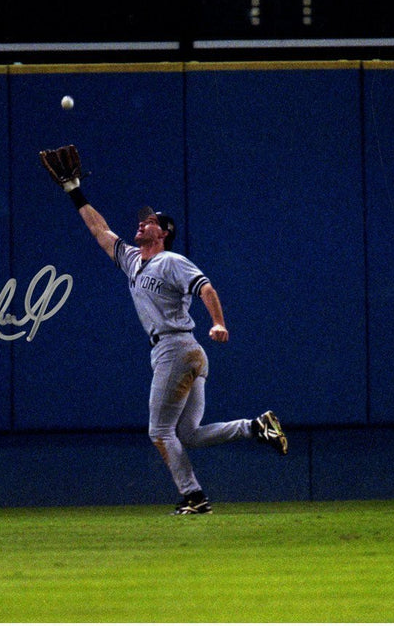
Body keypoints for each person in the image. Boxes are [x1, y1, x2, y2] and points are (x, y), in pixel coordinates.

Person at [40, 145, 288, 515]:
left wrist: (218, 321)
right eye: (142, 220)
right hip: (179, 353)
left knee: (160, 431)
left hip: (177, 347)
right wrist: (74, 190)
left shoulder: (171, 261)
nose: (142, 223)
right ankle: (255, 427)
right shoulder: (131, 260)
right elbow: (99, 230)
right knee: (187, 434)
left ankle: (194, 496)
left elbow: (205, 287)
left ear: (164, 232)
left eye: (151, 221)